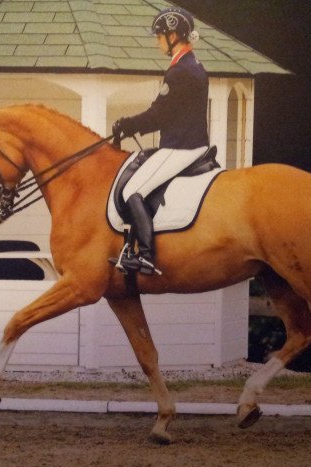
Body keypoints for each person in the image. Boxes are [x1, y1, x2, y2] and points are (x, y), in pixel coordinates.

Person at [112, 6, 210, 275]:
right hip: (194, 143)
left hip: (181, 146)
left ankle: (145, 255)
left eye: (160, 36)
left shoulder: (180, 71)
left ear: (174, 35)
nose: (157, 41)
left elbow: (159, 114)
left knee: (135, 191)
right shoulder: (193, 65)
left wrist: (128, 124)